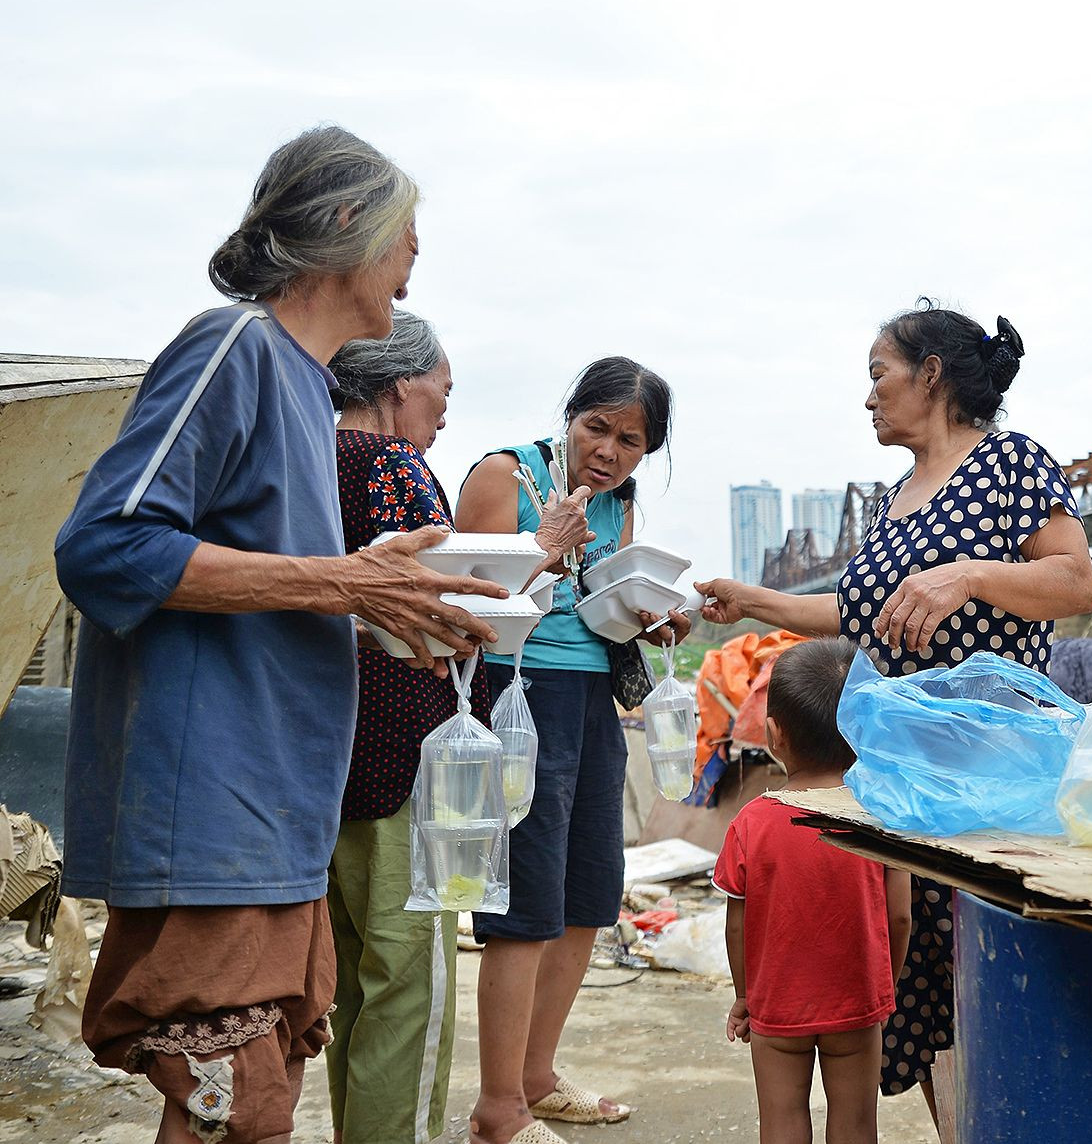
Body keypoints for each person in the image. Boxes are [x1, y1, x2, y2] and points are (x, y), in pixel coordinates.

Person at [56, 127, 507, 1144]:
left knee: (256, 1106)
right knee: (235, 1105)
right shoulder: (235, 347)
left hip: (280, 818)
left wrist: (379, 597)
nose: (414, 258)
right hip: (213, 808)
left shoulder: (308, 388)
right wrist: (342, 581)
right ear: (344, 226)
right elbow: (105, 547)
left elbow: (285, 587)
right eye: (404, 233)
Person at [697, 301, 1092, 1126]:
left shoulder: (1013, 463)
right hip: (907, 784)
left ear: (932, 374)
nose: (869, 396)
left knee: (985, 978)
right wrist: (750, 603)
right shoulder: (891, 501)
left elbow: (1075, 583)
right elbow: (855, 613)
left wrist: (972, 576)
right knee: (924, 994)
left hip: (991, 780)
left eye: (878, 374)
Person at [324, 311, 593, 1144]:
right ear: (402, 384)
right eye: (442, 386)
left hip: (328, 751)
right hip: (404, 756)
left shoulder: (310, 460)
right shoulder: (397, 470)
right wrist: (541, 549)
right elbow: (445, 617)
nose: (445, 405)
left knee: (351, 990)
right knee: (409, 987)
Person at [455, 358, 690, 1144]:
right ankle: (498, 1107)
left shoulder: (621, 508)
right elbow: (468, 601)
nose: (610, 452)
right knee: (524, 904)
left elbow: (597, 611)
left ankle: (536, 1076)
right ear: (570, 416)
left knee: (590, 894)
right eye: (598, 428)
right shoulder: (505, 475)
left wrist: (650, 618)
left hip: (593, 702)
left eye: (631, 441)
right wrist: (543, 543)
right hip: (520, 695)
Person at [715, 638, 911, 1144]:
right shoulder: (880, 815)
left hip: (777, 1005)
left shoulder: (750, 823)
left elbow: (737, 925)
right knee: (856, 1123)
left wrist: (745, 995)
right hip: (856, 999)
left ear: (774, 734)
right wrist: (882, 986)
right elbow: (901, 917)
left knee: (780, 1122)